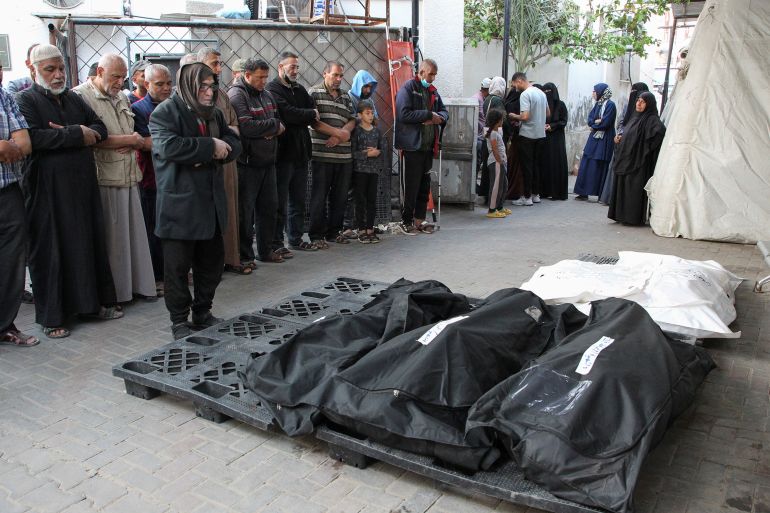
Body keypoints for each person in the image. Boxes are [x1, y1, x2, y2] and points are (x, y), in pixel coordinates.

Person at [16, 44, 122, 339]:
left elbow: (99, 128)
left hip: (81, 185)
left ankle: (91, 305)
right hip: (46, 189)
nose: (58, 75)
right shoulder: (25, 100)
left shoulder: (73, 99)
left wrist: (68, 132)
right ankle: (53, 316)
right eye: (50, 69)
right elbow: (33, 138)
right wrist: (75, 132)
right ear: (33, 69)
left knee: (86, 244)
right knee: (50, 249)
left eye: (61, 68)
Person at [149, 62, 242, 340]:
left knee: (211, 264)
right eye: (202, 86)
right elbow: (168, 147)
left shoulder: (214, 114)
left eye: (212, 85)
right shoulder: (165, 112)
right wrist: (209, 147)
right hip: (180, 206)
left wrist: (219, 151)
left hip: (210, 204)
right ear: (188, 85)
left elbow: (234, 143)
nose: (209, 91)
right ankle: (179, 320)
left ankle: (203, 311)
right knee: (177, 268)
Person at [73, 54, 157, 304]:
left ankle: (135, 288)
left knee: (131, 236)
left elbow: (132, 133)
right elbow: (90, 137)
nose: (121, 82)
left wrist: (133, 141)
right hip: (105, 177)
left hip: (129, 173)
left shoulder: (120, 96)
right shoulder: (80, 96)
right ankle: (116, 294)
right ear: (99, 71)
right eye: (115, 77)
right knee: (113, 240)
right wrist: (129, 141)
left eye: (122, 77)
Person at [228, 58, 285, 265]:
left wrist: (270, 127)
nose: (264, 81)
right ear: (247, 75)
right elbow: (247, 127)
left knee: (269, 208)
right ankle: (245, 255)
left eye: (265, 77)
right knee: (245, 211)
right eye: (260, 77)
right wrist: (271, 128)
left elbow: (279, 122)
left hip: (268, 161)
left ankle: (265, 250)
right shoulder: (236, 95)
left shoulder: (267, 95)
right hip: (248, 164)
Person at [197, 48, 247, 274]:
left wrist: (224, 142)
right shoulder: (189, 96)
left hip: (227, 160)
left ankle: (230, 258)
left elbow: (234, 126)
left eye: (220, 64)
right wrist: (214, 144)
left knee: (229, 208)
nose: (219, 69)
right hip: (205, 162)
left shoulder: (223, 95)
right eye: (214, 64)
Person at [265, 51, 319, 253]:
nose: (295, 70)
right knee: (279, 201)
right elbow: (287, 114)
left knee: (298, 200)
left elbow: (311, 112)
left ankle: (295, 239)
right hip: (283, 154)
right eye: (292, 66)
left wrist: (306, 114)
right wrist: (307, 114)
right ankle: (277, 243)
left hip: (301, 153)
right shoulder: (272, 89)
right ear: (280, 67)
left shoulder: (299, 88)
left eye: (297, 66)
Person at [0, 66, 38, 347]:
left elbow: (23, 144)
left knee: (12, 259)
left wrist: (7, 146)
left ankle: (5, 325)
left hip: (8, 188)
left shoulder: (4, 97)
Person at [131, 64, 174, 297]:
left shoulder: (176, 106)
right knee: (155, 231)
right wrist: (176, 144)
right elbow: (145, 143)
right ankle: (158, 276)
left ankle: (172, 272)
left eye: (168, 83)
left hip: (174, 179)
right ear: (146, 84)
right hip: (152, 179)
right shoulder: (139, 109)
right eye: (160, 84)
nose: (166, 88)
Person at [394, 58, 448, 235]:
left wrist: (440, 117)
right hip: (412, 147)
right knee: (411, 186)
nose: (432, 78)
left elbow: (444, 111)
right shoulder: (408, 88)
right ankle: (406, 220)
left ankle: (419, 219)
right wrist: (427, 115)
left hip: (427, 146)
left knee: (425, 185)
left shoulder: (432, 91)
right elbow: (403, 113)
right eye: (430, 74)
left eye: (435, 75)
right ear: (422, 71)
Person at [307, 61, 356, 248]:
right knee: (319, 196)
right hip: (322, 154)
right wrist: (336, 134)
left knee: (340, 196)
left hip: (344, 156)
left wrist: (344, 133)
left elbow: (352, 119)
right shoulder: (314, 93)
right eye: (335, 75)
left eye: (341, 75)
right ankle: (316, 235)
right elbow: (314, 121)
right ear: (324, 73)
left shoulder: (345, 96)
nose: (338, 79)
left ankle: (334, 232)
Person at [608, 91, 666, 226]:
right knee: (623, 188)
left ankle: (632, 218)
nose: (638, 104)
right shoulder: (635, 118)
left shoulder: (652, 120)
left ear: (649, 104)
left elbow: (659, 134)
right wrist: (619, 139)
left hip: (638, 163)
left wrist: (644, 147)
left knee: (633, 190)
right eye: (638, 101)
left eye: (642, 101)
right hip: (626, 159)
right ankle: (620, 215)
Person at [342, 69, 379, 238]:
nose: (367, 90)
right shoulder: (348, 98)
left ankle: (363, 225)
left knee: (366, 195)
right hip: (350, 149)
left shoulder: (369, 101)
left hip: (369, 158)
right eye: (365, 87)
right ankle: (347, 225)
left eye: (370, 87)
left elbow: (375, 121)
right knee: (350, 191)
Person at [599, 82, 649, 205]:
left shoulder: (647, 109)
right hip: (622, 143)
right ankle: (611, 197)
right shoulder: (629, 105)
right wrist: (621, 135)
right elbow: (621, 122)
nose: (638, 101)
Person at [508, 72, 548, 206]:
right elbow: (548, 113)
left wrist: (514, 115)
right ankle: (535, 195)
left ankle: (526, 197)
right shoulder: (541, 93)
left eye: (514, 85)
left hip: (527, 135)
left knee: (527, 167)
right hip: (541, 135)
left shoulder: (525, 94)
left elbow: (525, 116)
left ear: (519, 81)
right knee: (536, 165)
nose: (514, 88)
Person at [573, 83, 616, 201]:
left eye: (595, 91)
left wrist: (596, 124)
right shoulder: (598, 104)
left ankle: (601, 193)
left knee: (600, 163)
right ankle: (583, 192)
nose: (593, 93)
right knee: (587, 162)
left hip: (604, 139)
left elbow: (606, 122)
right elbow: (590, 119)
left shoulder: (610, 105)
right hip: (594, 138)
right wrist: (596, 122)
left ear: (601, 92)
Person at [350, 99, 385, 243]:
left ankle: (370, 228)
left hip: (373, 171)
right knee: (360, 200)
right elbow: (352, 152)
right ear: (360, 115)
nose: (370, 116)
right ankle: (361, 229)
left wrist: (377, 152)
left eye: (372, 113)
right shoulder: (356, 131)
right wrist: (366, 154)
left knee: (371, 200)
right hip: (359, 171)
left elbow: (382, 149)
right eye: (367, 113)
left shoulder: (377, 131)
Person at [540, 82, 569, 200]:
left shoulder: (561, 105)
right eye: (545, 91)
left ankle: (557, 192)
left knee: (556, 164)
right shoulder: (542, 105)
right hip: (544, 139)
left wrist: (551, 126)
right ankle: (544, 191)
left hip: (556, 139)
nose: (547, 94)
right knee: (545, 164)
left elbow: (563, 121)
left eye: (549, 91)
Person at [484, 109, 510, 218]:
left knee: (503, 185)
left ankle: (499, 206)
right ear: (498, 121)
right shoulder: (493, 134)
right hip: (496, 162)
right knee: (496, 186)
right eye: (501, 119)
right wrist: (499, 161)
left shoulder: (496, 132)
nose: (502, 121)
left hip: (500, 162)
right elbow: (495, 149)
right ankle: (492, 209)